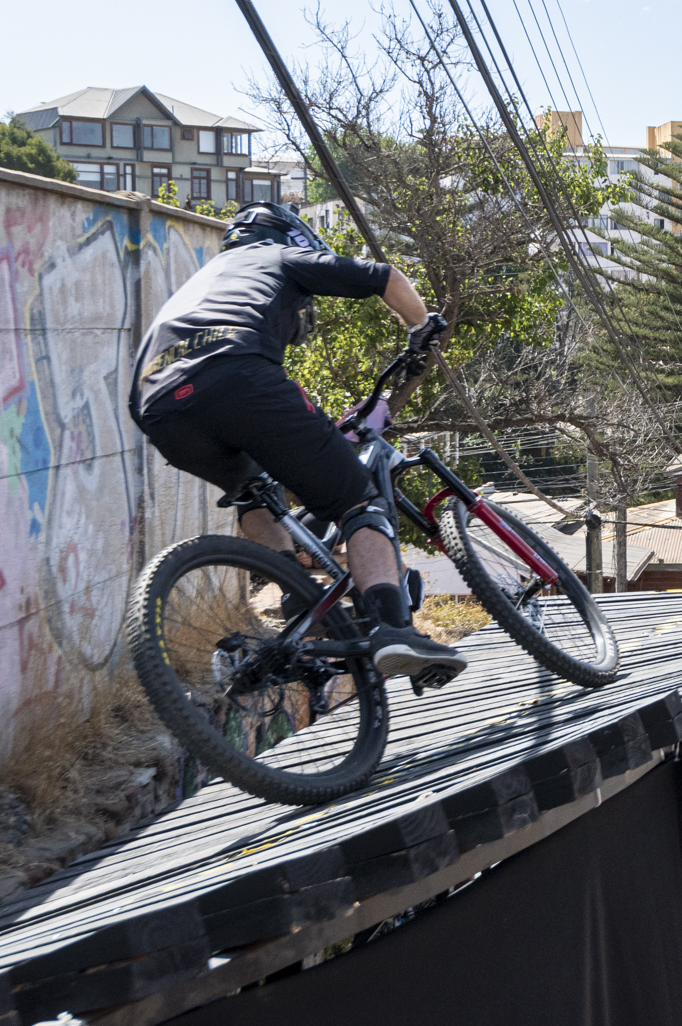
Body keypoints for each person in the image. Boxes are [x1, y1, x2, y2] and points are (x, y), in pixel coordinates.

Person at [125, 201, 464, 681]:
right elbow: (382, 276)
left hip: (157, 409)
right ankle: (394, 630)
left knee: (254, 492)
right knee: (357, 501)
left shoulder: (197, 287)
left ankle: (298, 606)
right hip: (236, 371)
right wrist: (420, 327)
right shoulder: (274, 255)